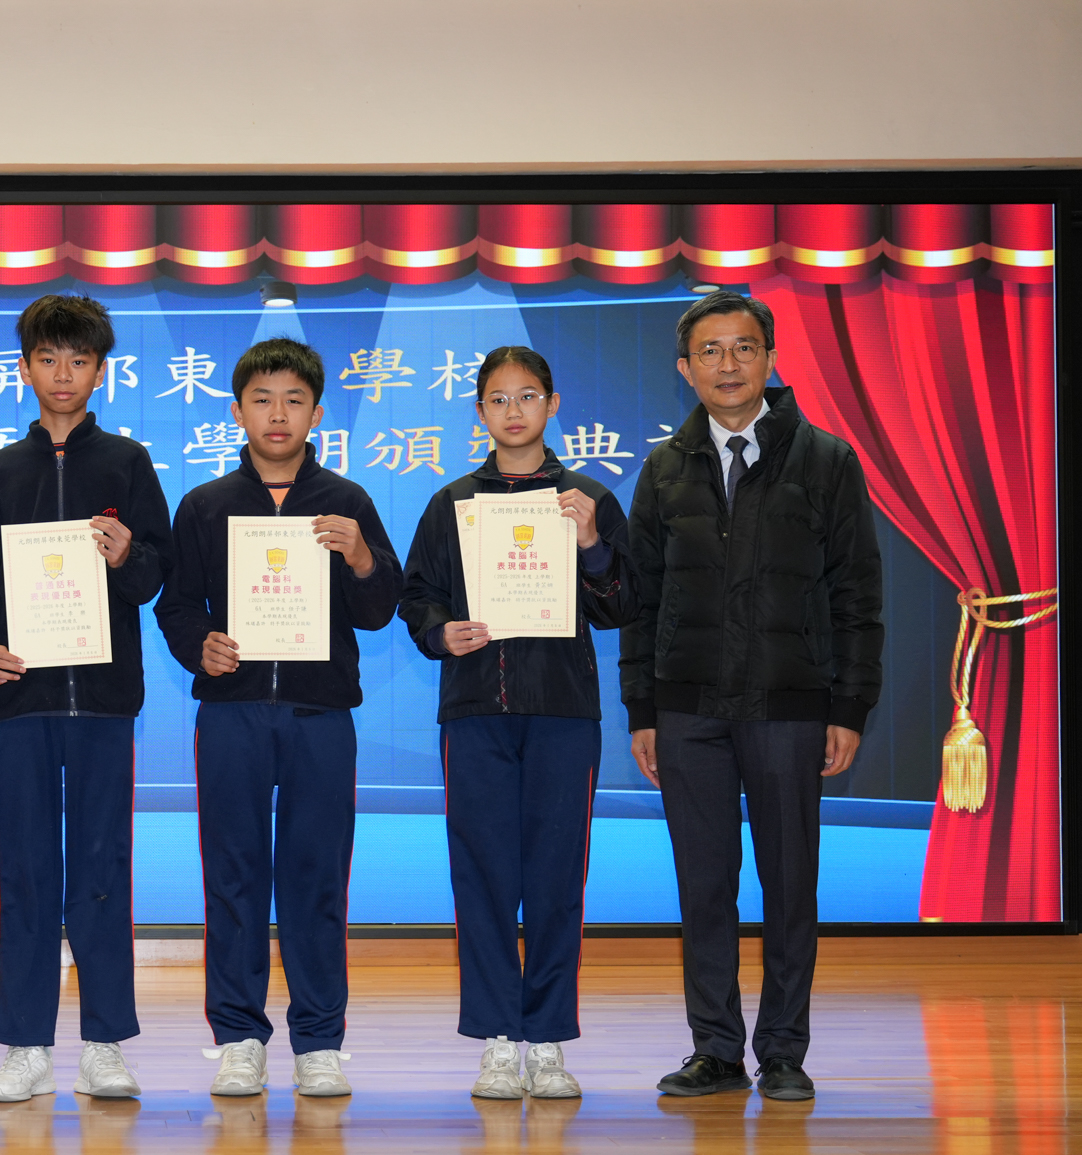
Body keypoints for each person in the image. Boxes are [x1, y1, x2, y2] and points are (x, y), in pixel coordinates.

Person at [623, 291, 883, 1102]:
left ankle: (783, 1051)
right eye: (710, 350)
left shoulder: (826, 460)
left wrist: (849, 706)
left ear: (770, 358)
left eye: (743, 347)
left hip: (789, 703)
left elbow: (858, 594)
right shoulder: (664, 467)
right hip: (689, 709)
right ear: (685, 368)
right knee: (704, 884)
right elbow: (640, 600)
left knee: (789, 882)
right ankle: (714, 1048)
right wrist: (642, 711)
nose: (727, 364)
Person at [154, 337, 400, 1098]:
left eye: (294, 400)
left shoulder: (348, 502)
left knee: (317, 875)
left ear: (317, 413)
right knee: (232, 875)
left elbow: (379, 608)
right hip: (232, 715)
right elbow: (176, 606)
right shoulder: (205, 504)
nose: (278, 414)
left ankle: (319, 1040)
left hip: (320, 714)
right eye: (262, 400)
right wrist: (201, 645)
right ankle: (238, 1037)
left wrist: (362, 558)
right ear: (238, 412)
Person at [0, 294, 172, 1103]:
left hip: (104, 701)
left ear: (100, 371)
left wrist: (128, 554)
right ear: (24, 368)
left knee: (104, 866)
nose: (63, 374)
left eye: (79, 360)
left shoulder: (128, 464)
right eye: (48, 359)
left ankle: (105, 1042)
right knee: (27, 871)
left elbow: (157, 576)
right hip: (21, 702)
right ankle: (26, 1044)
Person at [398, 346, 637, 1100]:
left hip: (564, 712)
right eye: (498, 399)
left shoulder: (587, 498)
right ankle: (499, 1037)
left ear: (553, 404)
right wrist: (441, 632)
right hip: (476, 711)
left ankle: (550, 1037)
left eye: (527, 396)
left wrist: (592, 545)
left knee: (559, 876)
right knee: (483, 876)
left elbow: (623, 605)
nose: (513, 411)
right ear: (479, 412)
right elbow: (417, 596)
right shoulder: (452, 504)